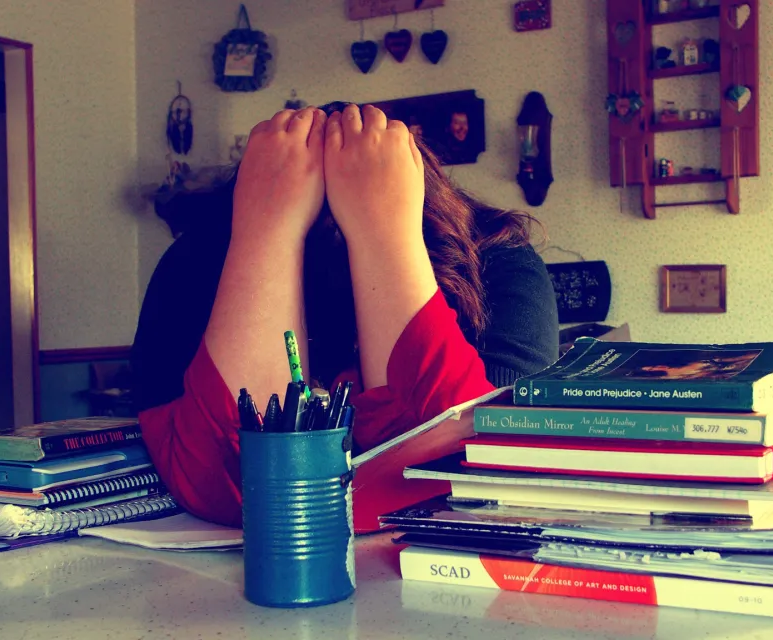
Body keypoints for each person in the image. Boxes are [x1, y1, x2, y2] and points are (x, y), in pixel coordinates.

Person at [131, 104, 558, 530]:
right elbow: (235, 490)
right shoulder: (194, 261)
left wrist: (385, 233)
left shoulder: (500, 259)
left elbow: (482, 475)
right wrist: (267, 230)